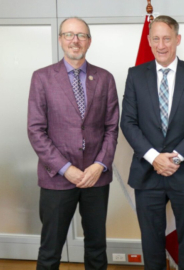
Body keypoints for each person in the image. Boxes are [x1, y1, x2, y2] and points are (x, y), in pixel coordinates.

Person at [120, 15, 184, 270]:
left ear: (177, 39)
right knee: (151, 242)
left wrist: (174, 157)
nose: (161, 45)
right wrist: (154, 157)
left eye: (167, 39)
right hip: (147, 171)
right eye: (156, 39)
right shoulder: (135, 75)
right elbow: (127, 122)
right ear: (149, 41)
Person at [27, 17, 119, 270]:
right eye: (69, 35)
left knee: (97, 248)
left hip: (95, 178)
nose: (75, 40)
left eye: (81, 35)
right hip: (57, 177)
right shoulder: (42, 78)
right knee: (50, 249)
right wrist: (66, 168)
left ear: (89, 41)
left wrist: (99, 164)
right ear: (60, 39)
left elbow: (112, 128)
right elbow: (36, 130)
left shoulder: (105, 78)